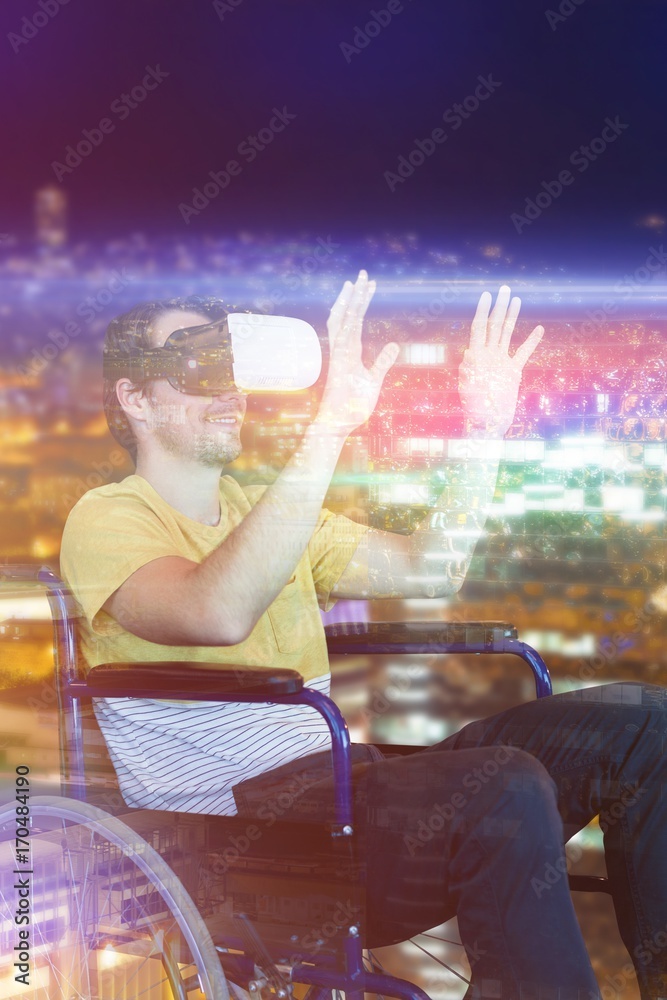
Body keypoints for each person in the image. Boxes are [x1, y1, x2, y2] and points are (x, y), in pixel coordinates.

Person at [60, 276, 667, 1000]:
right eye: (198, 371)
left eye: (233, 371)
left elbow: (431, 568)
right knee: (504, 787)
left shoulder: (262, 510)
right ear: (134, 398)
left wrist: (483, 432)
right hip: (247, 841)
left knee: (644, 725)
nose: (230, 393)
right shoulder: (106, 518)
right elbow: (215, 614)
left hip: (349, 789)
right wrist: (328, 428)